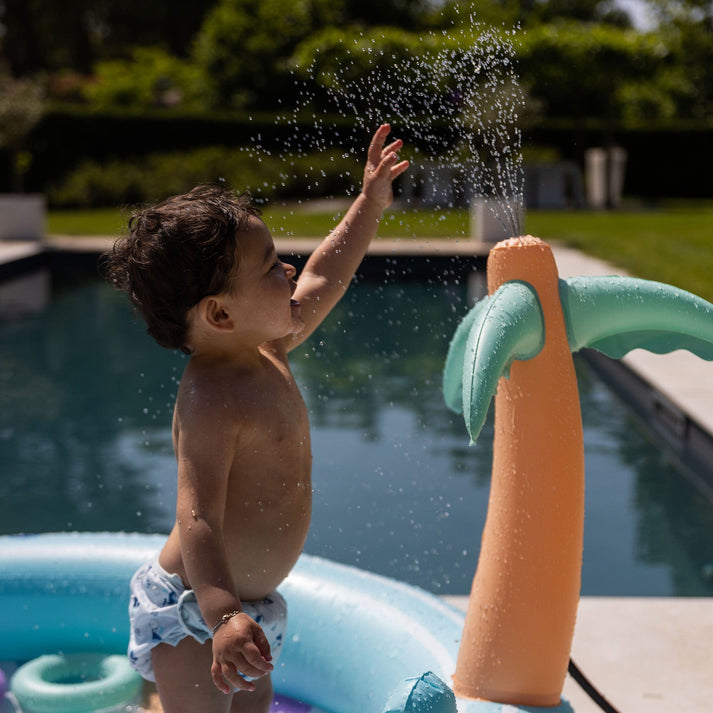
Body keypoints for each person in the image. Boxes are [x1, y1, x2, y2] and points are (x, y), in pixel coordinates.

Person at [102, 124, 408, 713]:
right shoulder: (211, 400)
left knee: (254, 705)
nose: (289, 271)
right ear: (220, 314)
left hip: (246, 609)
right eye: (270, 267)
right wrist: (221, 618)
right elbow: (197, 518)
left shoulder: (268, 344)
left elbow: (327, 273)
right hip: (196, 613)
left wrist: (368, 204)